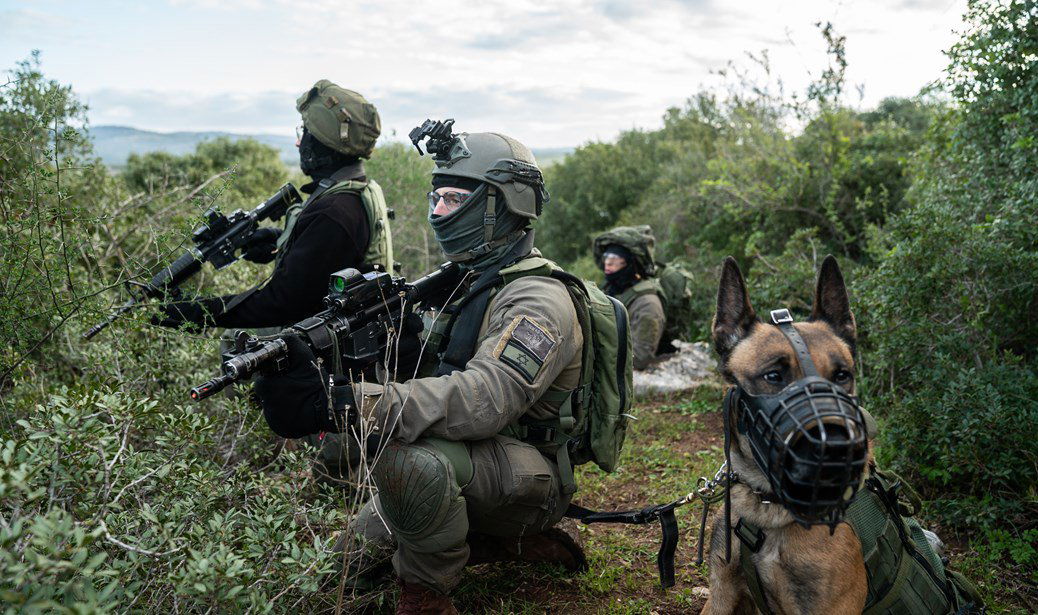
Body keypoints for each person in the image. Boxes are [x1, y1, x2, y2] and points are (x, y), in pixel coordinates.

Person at [254, 125, 594, 614]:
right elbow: (430, 379)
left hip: (529, 478)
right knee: (343, 566)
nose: (437, 211)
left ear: (502, 205)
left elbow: (483, 400)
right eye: (436, 196)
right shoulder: (470, 281)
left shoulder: (537, 299)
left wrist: (347, 401)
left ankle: (427, 596)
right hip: (476, 461)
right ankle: (496, 547)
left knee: (405, 459)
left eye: (453, 198)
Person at [153, 79, 393, 332]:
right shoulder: (354, 188)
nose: (299, 143)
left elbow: (281, 303)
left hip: (328, 361)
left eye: (306, 134)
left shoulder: (334, 210)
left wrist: (195, 312)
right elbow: (327, 256)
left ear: (324, 142)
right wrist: (279, 241)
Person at [594, 225, 666, 369]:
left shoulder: (647, 304)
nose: (608, 263)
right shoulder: (611, 290)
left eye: (615, 259)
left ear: (630, 263)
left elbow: (639, 358)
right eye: (606, 257)